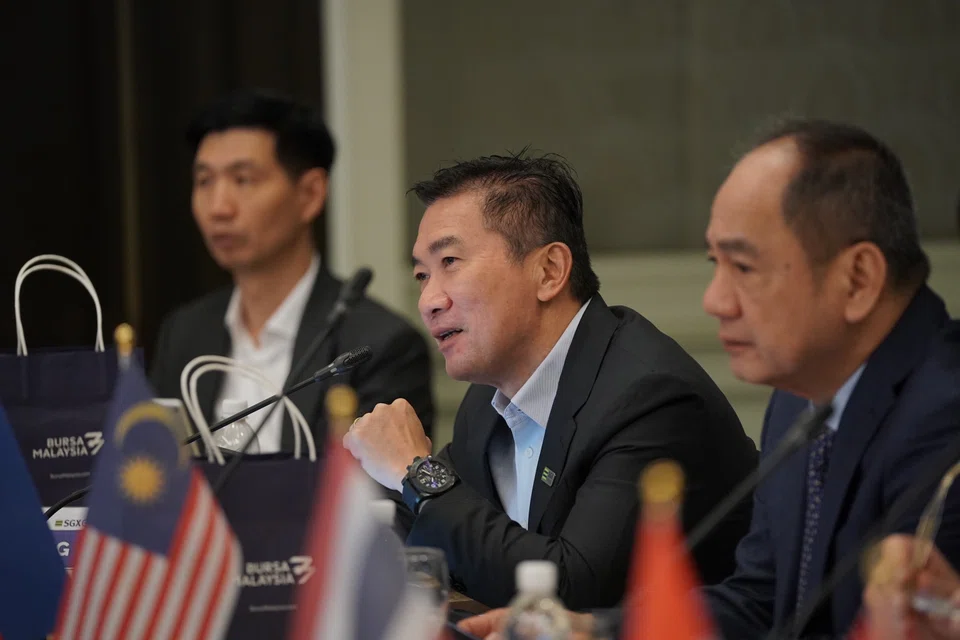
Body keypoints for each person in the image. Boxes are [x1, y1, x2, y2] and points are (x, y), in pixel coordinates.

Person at [459, 120, 960, 638]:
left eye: (743, 267)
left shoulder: (944, 422)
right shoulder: (798, 400)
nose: (714, 301)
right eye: (714, 263)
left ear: (857, 279)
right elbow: (760, 600)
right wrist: (590, 631)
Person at [342, 152, 758, 610]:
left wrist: (416, 471)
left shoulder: (649, 396)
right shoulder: (487, 400)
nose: (428, 300)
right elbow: (458, 541)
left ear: (549, 271)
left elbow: (572, 591)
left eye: (451, 262)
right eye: (422, 275)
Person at [149, 89, 434, 452]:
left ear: (311, 194)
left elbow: (382, 498)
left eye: (243, 180)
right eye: (204, 181)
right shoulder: (184, 334)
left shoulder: (377, 345)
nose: (218, 207)